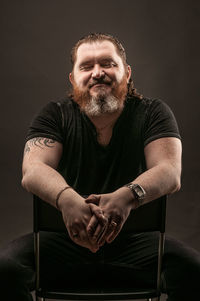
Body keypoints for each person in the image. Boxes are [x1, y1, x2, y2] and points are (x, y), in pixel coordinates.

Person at [0, 33, 200, 301]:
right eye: (86, 66)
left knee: (194, 271)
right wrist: (69, 201)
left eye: (108, 64)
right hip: (64, 242)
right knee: (5, 270)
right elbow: (33, 169)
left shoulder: (154, 112)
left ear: (126, 73)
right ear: (73, 78)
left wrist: (126, 197)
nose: (97, 73)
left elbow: (169, 171)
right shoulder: (54, 114)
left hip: (136, 243)